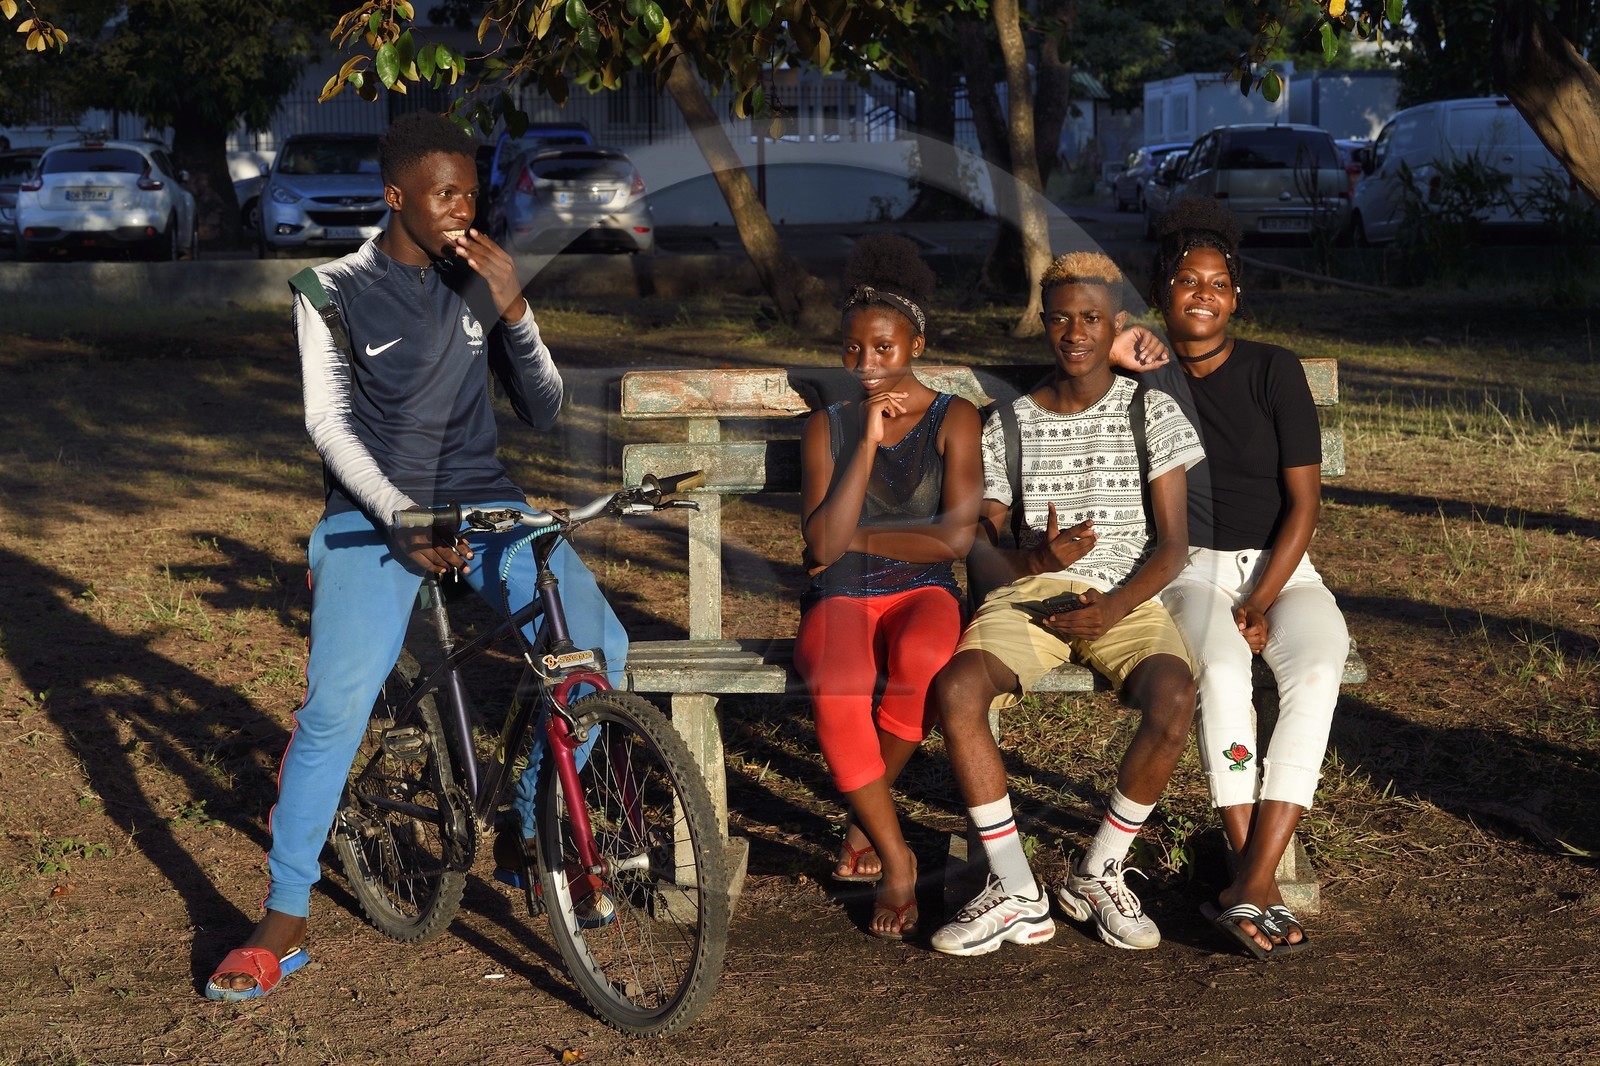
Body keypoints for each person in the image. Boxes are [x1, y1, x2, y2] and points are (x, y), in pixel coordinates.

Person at [204, 112, 626, 1000]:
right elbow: (328, 424)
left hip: (488, 501)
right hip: (374, 513)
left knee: (598, 649)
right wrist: (399, 515)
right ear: (395, 195)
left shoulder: (481, 276)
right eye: (444, 193)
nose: (462, 207)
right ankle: (283, 916)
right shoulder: (332, 286)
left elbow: (544, 409)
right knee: (337, 707)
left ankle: (528, 828)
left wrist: (517, 306)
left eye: (470, 191)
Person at [929, 250, 1203, 957]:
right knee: (958, 690)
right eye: (1061, 319)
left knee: (1174, 696)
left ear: (1116, 324)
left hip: (1127, 598)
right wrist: (1037, 559)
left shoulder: (1152, 409)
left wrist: (1114, 608)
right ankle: (1018, 888)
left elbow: (1173, 545)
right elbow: (983, 545)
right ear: (1044, 325)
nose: (1075, 333)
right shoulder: (1008, 424)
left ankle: (1099, 867)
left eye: (1091, 318)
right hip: (1032, 596)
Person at [1142, 197, 1349, 959]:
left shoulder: (1273, 370)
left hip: (1283, 572)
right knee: (1223, 675)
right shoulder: (1144, 376)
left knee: (1319, 666)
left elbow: (1304, 502)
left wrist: (1262, 597)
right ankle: (1252, 880)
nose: (1204, 293)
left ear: (1237, 296)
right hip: (1191, 575)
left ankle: (1249, 880)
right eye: (1187, 281)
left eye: (1219, 282)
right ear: (1162, 291)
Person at [794, 236, 983, 940]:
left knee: (928, 658)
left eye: (883, 350)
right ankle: (896, 856)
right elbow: (818, 546)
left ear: (916, 345)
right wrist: (867, 443)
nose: (867, 365)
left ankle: (860, 816)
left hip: (923, 591)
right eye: (852, 351)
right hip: (840, 596)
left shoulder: (953, 417)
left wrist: (856, 539)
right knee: (840, 684)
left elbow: (955, 540)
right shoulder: (831, 426)